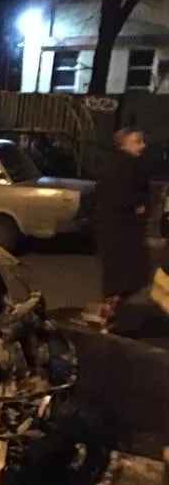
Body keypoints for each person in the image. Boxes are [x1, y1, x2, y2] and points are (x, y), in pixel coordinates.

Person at [91, 128, 151, 333]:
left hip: (114, 229)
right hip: (123, 230)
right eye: (137, 141)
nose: (143, 146)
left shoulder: (114, 163)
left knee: (118, 277)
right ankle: (110, 319)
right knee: (125, 277)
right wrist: (139, 205)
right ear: (124, 144)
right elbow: (124, 195)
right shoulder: (126, 166)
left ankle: (109, 317)